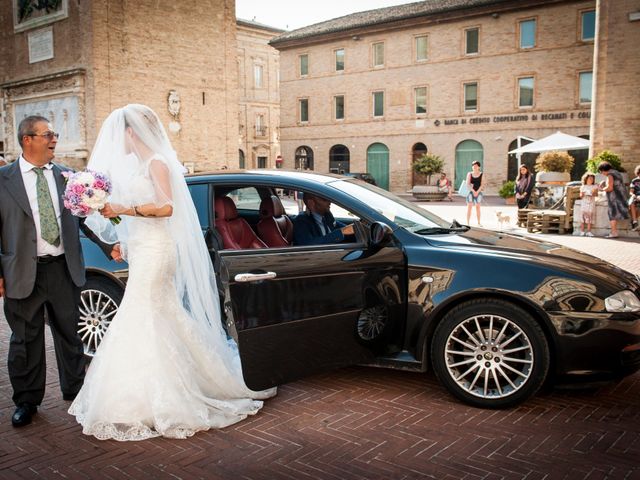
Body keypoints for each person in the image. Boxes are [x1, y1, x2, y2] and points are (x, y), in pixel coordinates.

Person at [68, 104, 275, 441]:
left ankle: (156, 397)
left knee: (143, 313)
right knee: (159, 314)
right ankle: (155, 388)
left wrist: (123, 207)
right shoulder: (139, 165)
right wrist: (123, 239)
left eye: (121, 131)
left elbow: (167, 208)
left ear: (132, 132)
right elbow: (138, 216)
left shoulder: (157, 163)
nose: (117, 139)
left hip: (159, 251)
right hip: (144, 249)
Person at [0, 115, 121, 428]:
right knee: (25, 341)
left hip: (63, 269)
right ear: (28, 139)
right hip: (22, 273)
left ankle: (75, 390)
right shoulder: (3, 179)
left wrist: (108, 246)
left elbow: (83, 218)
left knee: (70, 335)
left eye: (53, 134)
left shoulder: (69, 177)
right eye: (48, 134)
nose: (54, 139)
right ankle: (27, 401)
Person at [597, 161, 629, 238]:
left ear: (603, 170)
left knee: (612, 214)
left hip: (614, 198)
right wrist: (604, 182)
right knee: (615, 214)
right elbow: (615, 183)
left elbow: (610, 188)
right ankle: (613, 232)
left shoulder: (610, 175)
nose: (602, 173)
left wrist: (601, 189)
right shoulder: (617, 173)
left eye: (601, 172)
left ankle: (614, 232)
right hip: (621, 196)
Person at [465, 160, 485, 226]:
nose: (474, 167)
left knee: (478, 207)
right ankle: (467, 222)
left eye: (476, 166)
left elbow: (482, 185)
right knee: (469, 206)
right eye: (473, 166)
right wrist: (473, 191)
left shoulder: (481, 174)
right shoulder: (469, 174)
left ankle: (479, 222)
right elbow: (467, 184)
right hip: (470, 192)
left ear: (479, 167)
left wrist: (477, 192)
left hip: (478, 192)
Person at [579, 172, 598, 237]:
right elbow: (581, 196)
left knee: (590, 217)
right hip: (584, 203)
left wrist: (592, 193)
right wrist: (584, 194)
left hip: (591, 203)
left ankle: (589, 231)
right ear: (586, 179)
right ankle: (582, 231)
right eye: (589, 178)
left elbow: (596, 194)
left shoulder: (594, 186)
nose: (591, 180)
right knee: (582, 217)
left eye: (592, 179)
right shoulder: (583, 187)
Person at [628, 165, 640, 231]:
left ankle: (633, 221)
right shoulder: (634, 181)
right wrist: (634, 195)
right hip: (635, 196)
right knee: (631, 204)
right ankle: (635, 222)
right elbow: (631, 192)